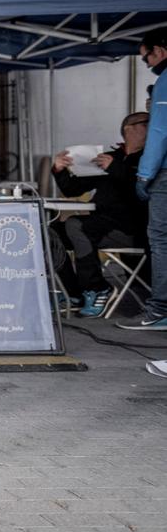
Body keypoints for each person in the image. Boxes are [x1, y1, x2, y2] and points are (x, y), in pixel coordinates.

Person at [50, 112, 148, 317]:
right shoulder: (113, 157)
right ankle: (72, 293)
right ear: (128, 129)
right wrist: (59, 169)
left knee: (77, 224)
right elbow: (73, 190)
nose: (152, 127)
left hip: (131, 228)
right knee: (50, 233)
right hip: (101, 225)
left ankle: (97, 288)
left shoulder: (149, 159)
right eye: (146, 123)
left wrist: (115, 168)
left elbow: (143, 188)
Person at [128, 28, 167, 330]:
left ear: (160, 51)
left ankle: (160, 309)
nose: (147, 65)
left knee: (161, 240)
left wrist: (144, 173)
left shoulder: (165, 82)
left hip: (164, 174)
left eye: (146, 58)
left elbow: (158, 131)